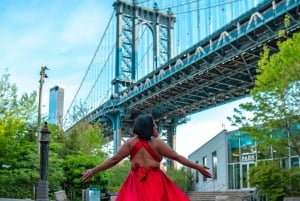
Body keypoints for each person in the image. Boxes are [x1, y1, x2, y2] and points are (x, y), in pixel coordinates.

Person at [82, 114, 212, 201]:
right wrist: (197, 167)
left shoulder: (130, 143)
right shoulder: (157, 143)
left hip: (135, 182)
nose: (156, 127)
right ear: (148, 128)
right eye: (154, 124)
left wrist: (94, 170)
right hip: (155, 183)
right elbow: (178, 158)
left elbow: (114, 160)